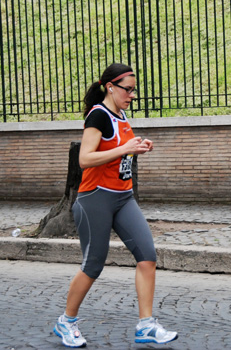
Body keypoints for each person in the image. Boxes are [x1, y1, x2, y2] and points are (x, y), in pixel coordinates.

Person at [53, 63, 178, 347]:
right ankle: (66, 322)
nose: (132, 95)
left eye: (134, 90)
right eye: (128, 89)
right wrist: (125, 149)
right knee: (93, 264)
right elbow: (85, 159)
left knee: (147, 256)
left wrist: (138, 147)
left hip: (123, 197)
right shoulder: (98, 115)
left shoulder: (120, 115)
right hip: (95, 198)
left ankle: (146, 325)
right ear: (110, 87)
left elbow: (119, 154)